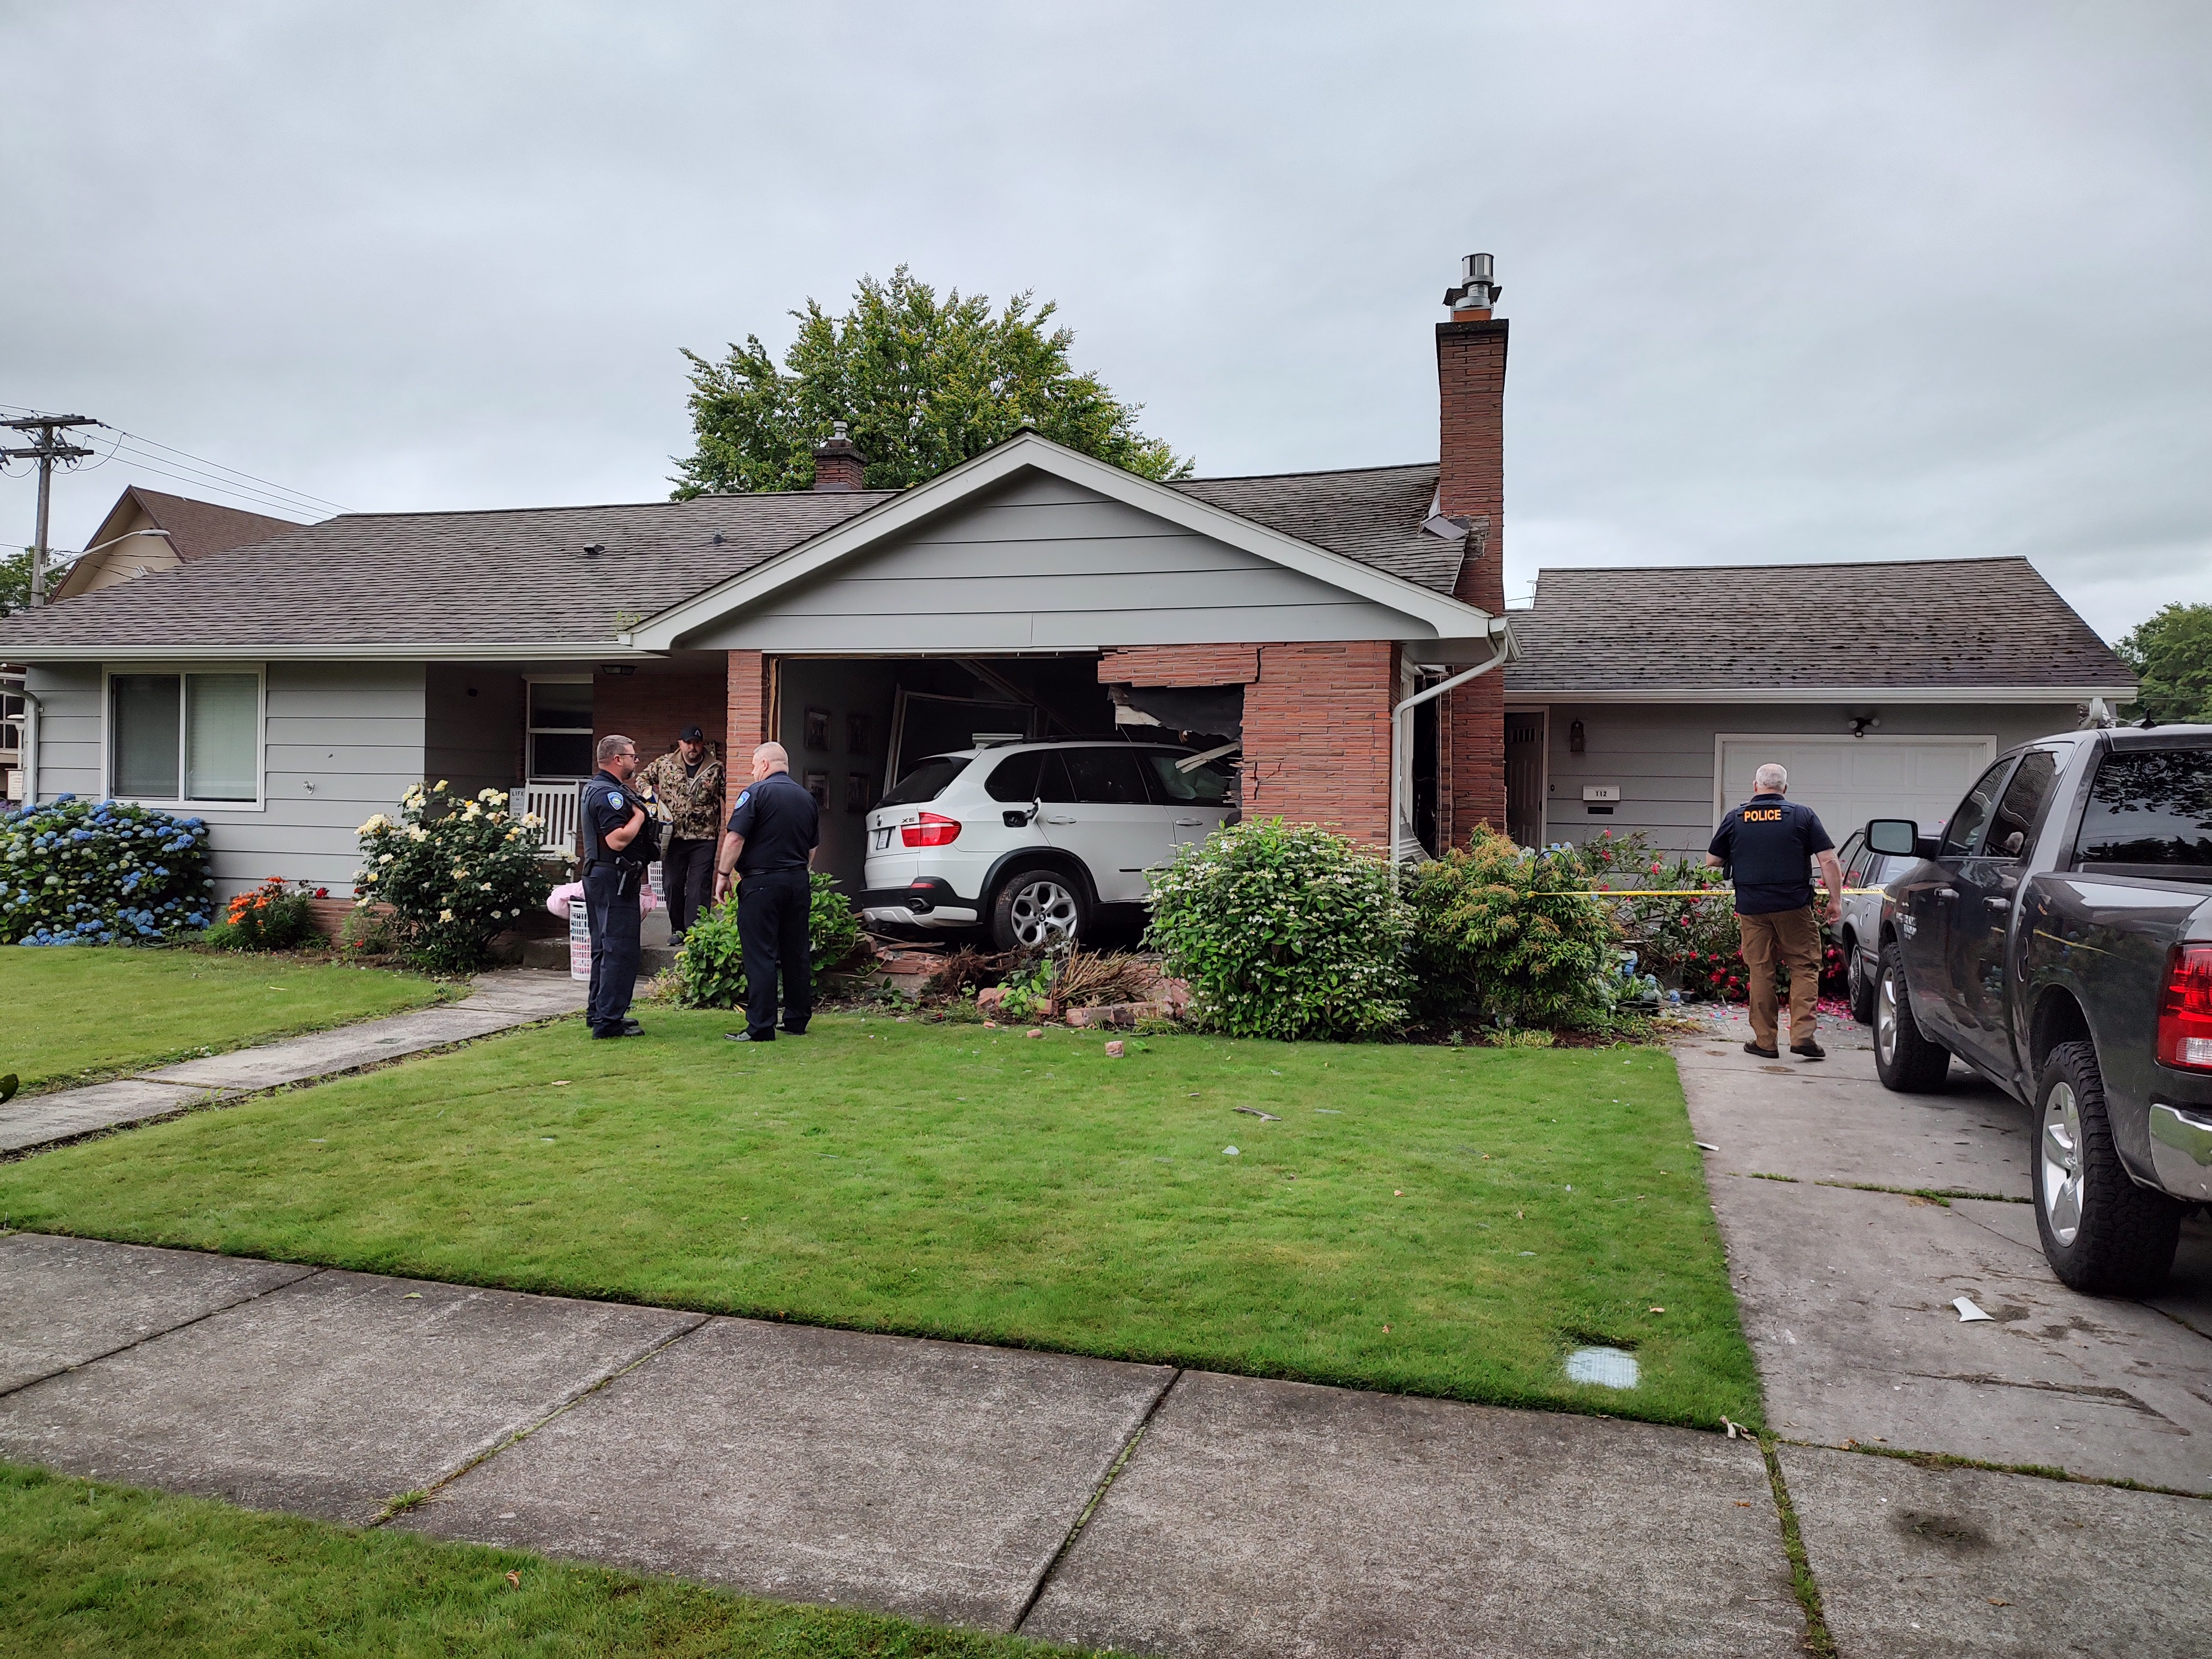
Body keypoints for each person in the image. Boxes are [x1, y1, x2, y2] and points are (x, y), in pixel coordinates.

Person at [1708, 761, 1845, 1062]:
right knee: (1804, 967)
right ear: (1784, 789)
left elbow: (1712, 861)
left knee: (1760, 970)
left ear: (1755, 786)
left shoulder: (1736, 817)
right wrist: (1836, 900)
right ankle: (1803, 1037)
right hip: (1794, 905)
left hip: (1753, 907)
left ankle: (1765, 1042)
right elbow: (1829, 861)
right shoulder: (1802, 815)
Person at [713, 740, 820, 1044]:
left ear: (763, 765)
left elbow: (735, 839)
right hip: (797, 883)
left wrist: (723, 875)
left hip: (761, 883)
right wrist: (798, 872)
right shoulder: (806, 797)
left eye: (752, 765)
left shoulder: (755, 793)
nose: (751, 771)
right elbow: (812, 848)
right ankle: (797, 1020)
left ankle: (761, 1026)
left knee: (760, 954)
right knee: (796, 953)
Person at [579, 733, 660, 1040]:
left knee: (604, 948)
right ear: (617, 759)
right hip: (614, 877)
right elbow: (617, 839)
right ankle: (609, 1022)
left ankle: (600, 1012)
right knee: (619, 949)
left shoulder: (601, 788)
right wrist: (640, 816)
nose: (635, 761)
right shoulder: (609, 795)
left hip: (603, 876)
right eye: (632, 756)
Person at [635, 724, 724, 944]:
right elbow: (642, 779)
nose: (693, 747)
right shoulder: (665, 764)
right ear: (681, 744)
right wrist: (653, 802)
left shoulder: (716, 768)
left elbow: (729, 793)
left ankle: (696, 932)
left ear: (702, 744)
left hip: (705, 837)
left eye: (697, 743)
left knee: (699, 886)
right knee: (672, 884)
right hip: (673, 837)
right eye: (689, 743)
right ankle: (678, 929)